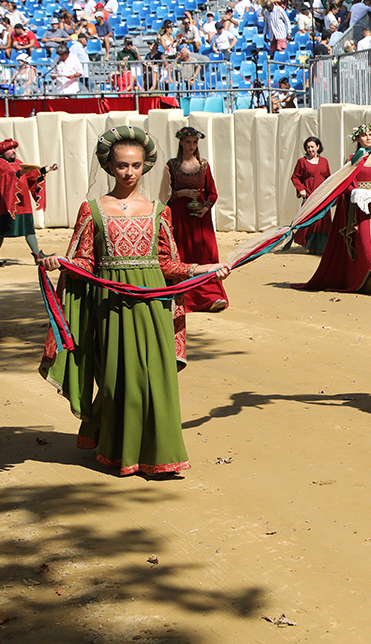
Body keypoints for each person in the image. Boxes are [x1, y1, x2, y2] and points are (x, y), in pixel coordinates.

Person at [39, 126, 230, 476]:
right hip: (110, 305)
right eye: (122, 165)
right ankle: (120, 452)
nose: (129, 172)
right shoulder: (92, 209)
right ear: (109, 167)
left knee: (156, 379)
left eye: (136, 165)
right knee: (118, 380)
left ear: (146, 167)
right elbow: (84, 261)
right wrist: (59, 262)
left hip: (153, 304)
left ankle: (161, 455)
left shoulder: (159, 210)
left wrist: (204, 269)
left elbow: (167, 263)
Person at [296, 124, 371, 295]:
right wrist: (356, 193)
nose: (368, 138)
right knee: (365, 243)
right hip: (358, 209)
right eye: (364, 135)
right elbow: (347, 183)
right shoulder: (353, 158)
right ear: (357, 139)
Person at [166, 127, 228, 313]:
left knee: (204, 255)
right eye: (188, 142)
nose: (191, 145)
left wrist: (205, 209)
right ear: (181, 142)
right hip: (179, 218)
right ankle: (184, 297)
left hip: (200, 219)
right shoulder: (171, 166)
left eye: (194, 142)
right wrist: (181, 193)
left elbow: (213, 193)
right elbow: (164, 195)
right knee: (182, 255)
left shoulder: (204, 165)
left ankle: (211, 296)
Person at [0, 139, 58, 267]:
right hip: (5, 206)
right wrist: (21, 172)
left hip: (22, 204)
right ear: (2, 152)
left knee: (29, 230)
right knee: (0, 232)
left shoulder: (18, 163)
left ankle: (37, 255)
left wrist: (45, 170)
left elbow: (31, 176)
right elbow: (7, 176)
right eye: (10, 149)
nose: (13, 151)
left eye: (14, 149)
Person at [290, 136, 332, 255]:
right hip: (309, 194)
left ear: (318, 147)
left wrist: (330, 192)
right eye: (308, 147)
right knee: (309, 220)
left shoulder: (324, 161)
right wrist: (301, 189)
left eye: (312, 146)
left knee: (324, 220)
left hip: (323, 195)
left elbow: (328, 177)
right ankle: (307, 244)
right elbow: (295, 177)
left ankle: (321, 247)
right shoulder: (302, 162)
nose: (310, 149)